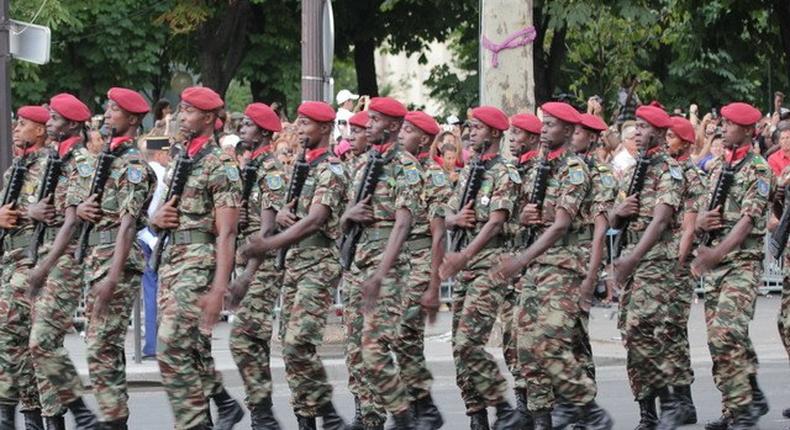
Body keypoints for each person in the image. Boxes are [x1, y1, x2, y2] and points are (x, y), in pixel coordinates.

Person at [493, 103, 613, 429]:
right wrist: (523, 217)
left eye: (551, 125)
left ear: (568, 131)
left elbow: (560, 225)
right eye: (543, 124)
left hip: (563, 265)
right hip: (536, 269)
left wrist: (521, 259)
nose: (543, 129)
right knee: (526, 346)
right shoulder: (536, 169)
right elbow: (518, 217)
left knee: (551, 341)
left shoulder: (574, 169)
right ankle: (542, 416)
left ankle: (586, 409)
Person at [240, 101, 350, 429]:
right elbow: (293, 214)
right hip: (296, 263)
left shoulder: (331, 168)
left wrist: (270, 242)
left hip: (317, 263)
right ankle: (308, 419)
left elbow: (316, 220)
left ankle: (329, 417)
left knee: (298, 342)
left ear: (326, 129)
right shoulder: (302, 168)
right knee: (292, 352)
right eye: (298, 123)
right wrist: (285, 218)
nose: (300, 130)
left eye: (308, 124)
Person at [149, 86, 243, 430]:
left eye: (188, 111)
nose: (180, 116)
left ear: (208, 118)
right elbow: (161, 210)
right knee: (189, 349)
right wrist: (154, 220)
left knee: (171, 346)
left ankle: (191, 424)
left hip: (199, 261)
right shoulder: (180, 158)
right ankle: (215, 410)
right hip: (173, 258)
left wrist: (220, 287)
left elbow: (228, 232)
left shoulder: (221, 164)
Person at [74, 87, 156, 429]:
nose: (107, 114)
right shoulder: (109, 160)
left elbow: (126, 225)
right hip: (100, 258)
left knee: (101, 347)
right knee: (105, 348)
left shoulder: (133, 166)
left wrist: (111, 275)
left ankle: (112, 422)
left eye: (115, 110)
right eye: (107, 108)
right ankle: (114, 419)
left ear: (133, 119)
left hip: (115, 263)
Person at [437, 105, 522, 429]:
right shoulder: (472, 170)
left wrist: (463, 256)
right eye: (469, 127)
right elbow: (447, 210)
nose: (469, 133)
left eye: (477, 128)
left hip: (489, 266)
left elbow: (495, 223)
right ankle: (477, 416)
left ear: (495, 134)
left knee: (467, 342)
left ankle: (504, 408)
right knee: (460, 348)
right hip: (467, 270)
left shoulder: (505, 173)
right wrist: (453, 219)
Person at [691, 102, 772, 430]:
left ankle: (743, 411)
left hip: (741, 263)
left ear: (749, 132)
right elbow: (698, 211)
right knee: (719, 339)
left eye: (729, 125)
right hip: (716, 267)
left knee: (728, 332)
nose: (721, 129)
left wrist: (715, 254)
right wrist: (700, 223)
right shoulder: (716, 167)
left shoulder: (759, 169)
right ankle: (739, 399)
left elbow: (748, 222)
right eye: (721, 123)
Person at [340, 96, 417, 429]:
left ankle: (404, 418)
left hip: (387, 269)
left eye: (375, 119)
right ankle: (370, 419)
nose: (367, 124)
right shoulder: (361, 165)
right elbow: (342, 219)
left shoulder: (405, 166)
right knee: (356, 353)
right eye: (368, 119)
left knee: (375, 351)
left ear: (394, 126)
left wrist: (380, 275)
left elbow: (403, 223)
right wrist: (347, 215)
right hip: (359, 265)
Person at [609, 104, 685, 430]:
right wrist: (619, 210)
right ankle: (649, 410)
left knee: (645, 331)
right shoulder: (631, 170)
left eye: (642, 127)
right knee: (632, 333)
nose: (636, 133)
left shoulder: (669, 170)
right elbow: (613, 216)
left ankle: (668, 404)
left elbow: (661, 220)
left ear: (658, 132)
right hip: (635, 262)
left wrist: (630, 260)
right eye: (634, 127)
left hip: (656, 262)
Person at [26, 93, 99, 429]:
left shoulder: (80, 161)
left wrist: (43, 267)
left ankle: (82, 414)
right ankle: (54, 420)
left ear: (71, 124)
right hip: (45, 256)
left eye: (54, 119)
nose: (49, 123)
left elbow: (70, 222)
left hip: (64, 260)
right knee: (41, 348)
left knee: (42, 340)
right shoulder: (54, 158)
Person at [227, 102, 286, 429]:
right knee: (255, 341)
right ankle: (261, 415)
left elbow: (266, 231)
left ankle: (263, 414)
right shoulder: (251, 165)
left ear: (263, 132)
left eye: (248, 125)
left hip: (261, 265)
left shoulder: (271, 171)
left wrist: (246, 278)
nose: (242, 129)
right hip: (248, 261)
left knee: (242, 337)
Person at [392, 110, 451, 429]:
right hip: (397, 264)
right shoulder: (398, 170)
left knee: (404, 334)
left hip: (418, 262)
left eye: (409, 131)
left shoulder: (433, 175)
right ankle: (415, 408)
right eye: (400, 129)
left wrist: (434, 285)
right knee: (399, 338)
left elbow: (439, 232)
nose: (401, 134)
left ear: (425, 139)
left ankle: (423, 407)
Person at [0, 105, 51, 430]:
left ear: (41, 131)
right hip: (10, 262)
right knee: (12, 344)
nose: (16, 128)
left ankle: (29, 417)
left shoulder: (50, 166)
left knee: (21, 342)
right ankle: (21, 416)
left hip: (33, 264)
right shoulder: (15, 169)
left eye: (23, 124)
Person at [664, 116, 706, 426]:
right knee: (665, 332)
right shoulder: (668, 171)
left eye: (672, 136)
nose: (667, 140)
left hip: (677, 265)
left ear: (686, 143)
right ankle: (678, 400)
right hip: (663, 262)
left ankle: (683, 401)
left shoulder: (690, 175)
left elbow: (689, 230)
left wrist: (677, 266)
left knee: (672, 331)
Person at [501, 111, 541, 424]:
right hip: (511, 263)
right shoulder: (511, 170)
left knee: (530, 339)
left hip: (534, 265)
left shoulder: (541, 171)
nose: (512, 140)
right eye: (511, 134)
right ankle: (522, 401)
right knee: (510, 336)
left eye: (518, 135)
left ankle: (537, 405)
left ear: (533, 138)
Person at [570, 112, 615, 384]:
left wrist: (591, 275)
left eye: (577, 132)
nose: (571, 136)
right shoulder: (562, 168)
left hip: (582, 257)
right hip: (556, 260)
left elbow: (600, 227)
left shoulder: (601, 174)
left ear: (592, 138)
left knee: (575, 334)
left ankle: (585, 402)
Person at [138, 136, 171, 358]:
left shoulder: (141, 171)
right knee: (157, 292)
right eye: (167, 153)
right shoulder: (161, 174)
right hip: (153, 235)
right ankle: (157, 344)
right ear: (159, 154)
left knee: (150, 292)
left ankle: (151, 344)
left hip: (142, 235)